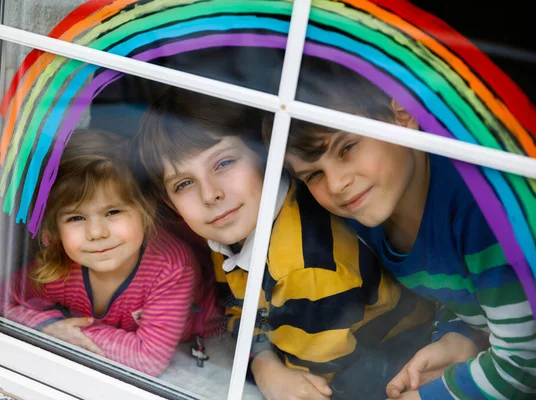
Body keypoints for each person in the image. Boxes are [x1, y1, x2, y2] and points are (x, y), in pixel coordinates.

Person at [133, 87, 435, 400]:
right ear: (169, 204)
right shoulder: (233, 227)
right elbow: (235, 312)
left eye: (223, 163)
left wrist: (267, 367)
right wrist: (263, 361)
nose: (210, 195)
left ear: (266, 155)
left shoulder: (307, 268)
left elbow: (308, 386)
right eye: (183, 184)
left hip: (385, 363)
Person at [263, 59, 536, 399]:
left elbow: (525, 363)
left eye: (346, 148)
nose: (336, 184)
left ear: (402, 114)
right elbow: (470, 295)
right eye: (313, 175)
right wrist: (458, 338)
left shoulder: (483, 212)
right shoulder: (365, 211)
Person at [0, 129, 221, 377]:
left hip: (207, 330)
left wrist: (72, 334)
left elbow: (148, 359)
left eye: (113, 212)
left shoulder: (171, 268)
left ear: (147, 212)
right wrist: (47, 326)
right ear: (55, 229)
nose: (96, 232)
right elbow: (2, 299)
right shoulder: (59, 265)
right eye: (76, 217)